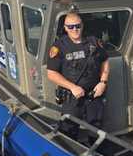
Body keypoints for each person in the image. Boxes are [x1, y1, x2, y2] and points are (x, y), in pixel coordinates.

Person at [47, 12, 110, 142]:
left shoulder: (93, 41)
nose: (75, 29)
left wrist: (103, 82)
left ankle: (97, 154)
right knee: (68, 131)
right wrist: (73, 87)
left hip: (94, 95)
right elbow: (51, 73)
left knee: (96, 130)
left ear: (82, 25)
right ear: (65, 28)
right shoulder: (59, 47)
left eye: (77, 26)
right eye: (70, 27)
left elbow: (105, 60)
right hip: (72, 97)